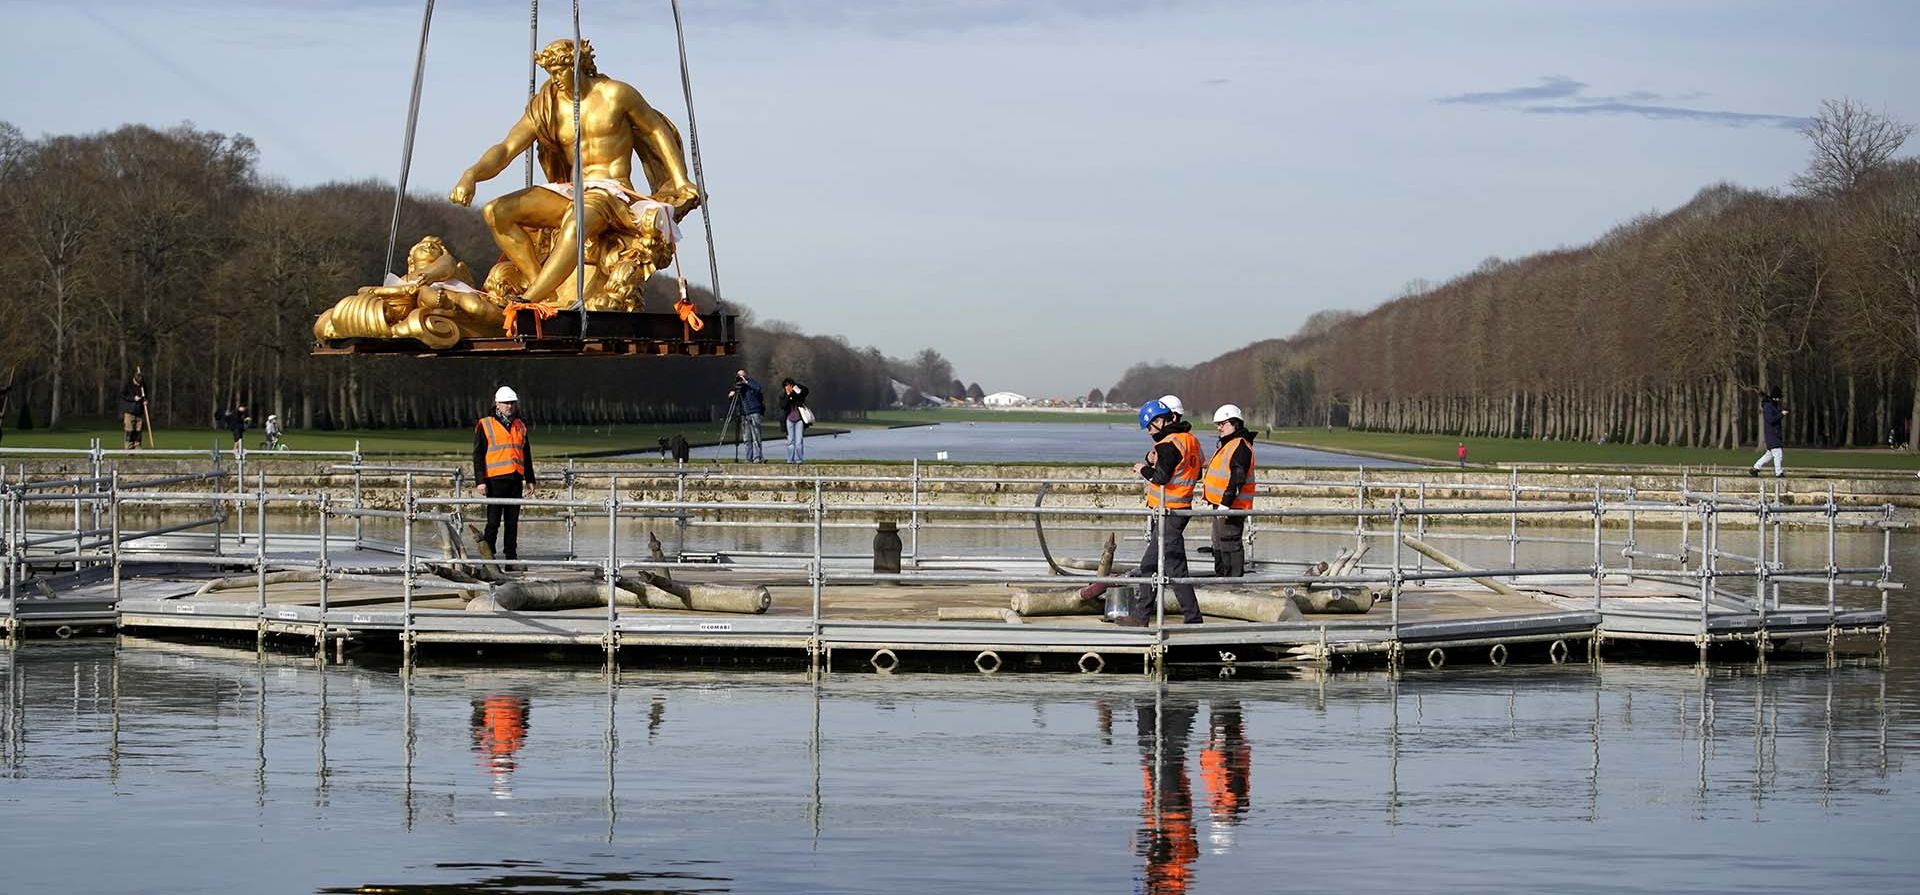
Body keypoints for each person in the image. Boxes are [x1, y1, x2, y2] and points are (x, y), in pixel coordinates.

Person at [449, 38, 700, 308]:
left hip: (612, 191)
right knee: (496, 211)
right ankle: (544, 290)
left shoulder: (616, 94)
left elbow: (656, 130)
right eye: (550, 73)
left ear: (578, 64)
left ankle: (528, 299)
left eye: (560, 71)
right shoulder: (547, 106)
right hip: (571, 189)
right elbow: (507, 147)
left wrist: (680, 179)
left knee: (576, 219)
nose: (554, 79)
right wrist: (471, 175)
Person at [1116, 398, 1204, 626]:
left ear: (1162, 420)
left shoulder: (1168, 443)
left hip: (1169, 512)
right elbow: (1195, 470)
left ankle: (1142, 617)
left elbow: (1161, 477)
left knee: (1151, 565)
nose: (1148, 432)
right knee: (1173, 566)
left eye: (1150, 426)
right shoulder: (1190, 440)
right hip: (1180, 509)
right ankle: (1190, 618)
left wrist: (1143, 469)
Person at [473, 386, 537, 566]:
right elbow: (478, 454)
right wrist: (480, 481)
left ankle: (511, 559)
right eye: (506, 403)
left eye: (512, 403)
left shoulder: (520, 425)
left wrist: (530, 479)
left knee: (512, 522)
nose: (509, 406)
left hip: (515, 479)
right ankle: (489, 558)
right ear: (497, 404)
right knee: (493, 522)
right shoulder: (485, 424)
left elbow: (526, 454)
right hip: (494, 480)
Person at [1201, 404, 1257, 578]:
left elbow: (1237, 477)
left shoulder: (1239, 446)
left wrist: (1226, 503)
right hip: (1221, 506)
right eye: (1218, 424)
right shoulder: (1229, 445)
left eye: (1222, 424)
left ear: (1235, 424)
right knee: (1218, 544)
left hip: (1232, 507)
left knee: (1230, 544)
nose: (1219, 428)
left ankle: (1233, 583)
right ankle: (1221, 579)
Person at [1749, 388, 1787, 477]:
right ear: (1775, 398)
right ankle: (1779, 473)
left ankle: (1755, 468)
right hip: (1772, 433)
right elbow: (1771, 419)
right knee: (1778, 453)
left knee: (1769, 455)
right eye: (1779, 398)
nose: (1780, 400)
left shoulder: (1773, 405)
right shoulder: (1768, 406)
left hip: (1774, 433)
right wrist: (1781, 414)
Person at [729, 369, 766, 463]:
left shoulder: (751, 382)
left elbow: (758, 388)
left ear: (745, 375)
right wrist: (733, 394)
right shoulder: (738, 387)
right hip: (743, 413)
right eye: (739, 376)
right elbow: (735, 401)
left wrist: (746, 382)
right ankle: (748, 457)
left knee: (756, 436)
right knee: (746, 438)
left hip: (754, 411)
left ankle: (758, 457)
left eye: (742, 375)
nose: (741, 377)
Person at [780, 378, 810, 464]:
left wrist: (796, 389)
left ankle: (799, 459)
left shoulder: (798, 393)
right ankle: (790, 459)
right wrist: (789, 395)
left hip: (799, 419)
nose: (787, 387)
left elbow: (805, 392)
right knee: (790, 441)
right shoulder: (783, 396)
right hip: (789, 420)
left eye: (789, 385)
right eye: (786, 386)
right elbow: (783, 406)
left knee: (799, 441)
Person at [119, 368, 148, 450]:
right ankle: (129, 447)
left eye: (140, 383)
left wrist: (145, 400)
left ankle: (137, 446)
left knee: (138, 430)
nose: (138, 384)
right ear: (134, 380)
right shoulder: (127, 384)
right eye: (137, 383)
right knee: (129, 430)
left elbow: (145, 395)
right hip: (129, 410)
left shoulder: (143, 385)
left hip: (139, 411)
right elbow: (122, 395)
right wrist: (133, 398)